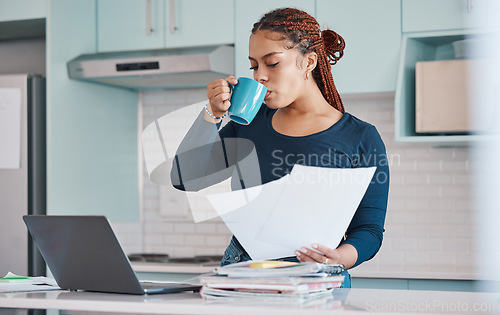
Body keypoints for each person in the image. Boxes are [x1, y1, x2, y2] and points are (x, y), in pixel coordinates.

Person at [170, 7, 389, 288]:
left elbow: (368, 230)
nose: (260, 75)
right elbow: (185, 178)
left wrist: (338, 258)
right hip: (243, 276)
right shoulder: (249, 123)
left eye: (271, 63)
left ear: (309, 62)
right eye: (253, 65)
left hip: (317, 282)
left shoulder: (360, 138)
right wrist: (211, 114)